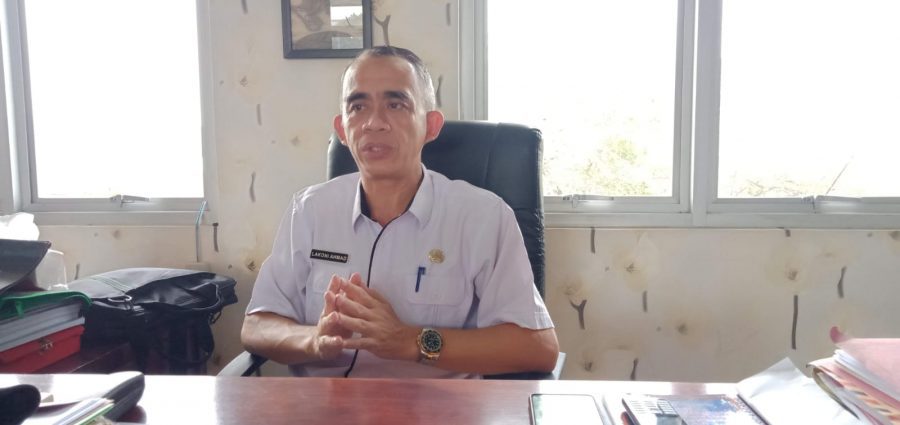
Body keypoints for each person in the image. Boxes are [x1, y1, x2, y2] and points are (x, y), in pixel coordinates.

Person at [241, 46, 559, 378]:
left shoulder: (483, 217)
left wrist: (413, 341)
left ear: (431, 126)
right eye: (358, 107)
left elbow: (537, 347)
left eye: (396, 105)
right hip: (325, 402)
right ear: (342, 130)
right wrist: (314, 340)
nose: (374, 123)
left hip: (438, 404)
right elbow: (257, 325)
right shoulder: (308, 211)